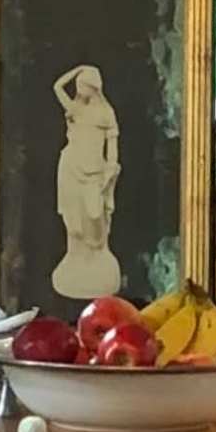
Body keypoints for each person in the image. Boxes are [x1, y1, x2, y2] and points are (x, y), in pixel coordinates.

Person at [50, 57, 126, 303]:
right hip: (70, 167)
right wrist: (77, 70)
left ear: (94, 87)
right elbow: (57, 87)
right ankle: (77, 261)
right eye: (79, 85)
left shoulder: (106, 112)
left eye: (83, 85)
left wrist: (110, 168)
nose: (79, 89)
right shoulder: (75, 109)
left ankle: (97, 258)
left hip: (94, 172)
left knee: (95, 216)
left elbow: (112, 147)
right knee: (73, 222)